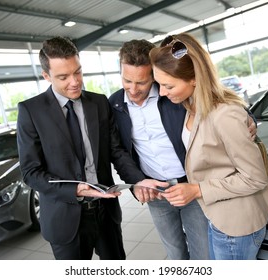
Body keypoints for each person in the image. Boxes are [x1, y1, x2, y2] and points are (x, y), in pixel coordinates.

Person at [16, 36, 167, 260]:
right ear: (46, 76)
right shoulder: (31, 111)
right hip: (65, 218)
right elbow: (30, 173)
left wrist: (138, 180)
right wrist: (74, 190)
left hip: (106, 212)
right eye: (63, 77)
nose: (75, 81)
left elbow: (116, 151)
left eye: (77, 72)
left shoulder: (98, 103)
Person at [109, 39, 257, 260]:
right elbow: (118, 150)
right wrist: (137, 182)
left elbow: (213, 98)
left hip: (191, 184)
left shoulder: (173, 92)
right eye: (126, 80)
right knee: (175, 253)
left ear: (154, 73)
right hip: (156, 192)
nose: (133, 89)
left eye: (141, 82)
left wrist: (248, 118)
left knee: (204, 253)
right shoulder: (114, 104)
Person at [149, 33, 268, 260]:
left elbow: (255, 178)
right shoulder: (190, 106)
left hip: (236, 225)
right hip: (217, 215)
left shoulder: (225, 115)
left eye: (167, 85)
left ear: (195, 79)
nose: (161, 92)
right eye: (158, 84)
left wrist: (197, 189)